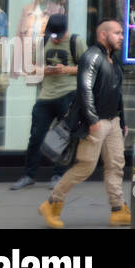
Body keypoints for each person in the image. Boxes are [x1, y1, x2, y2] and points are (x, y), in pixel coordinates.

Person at [38, 20, 129, 228]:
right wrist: (92, 120)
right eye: (117, 33)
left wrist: (122, 120)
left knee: (116, 165)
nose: (122, 36)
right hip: (96, 123)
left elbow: (117, 92)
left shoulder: (113, 61)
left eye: (122, 33)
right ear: (103, 35)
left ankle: (118, 210)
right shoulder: (92, 57)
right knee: (85, 167)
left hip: (112, 121)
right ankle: (52, 203)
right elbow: (84, 90)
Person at [12, 15, 85, 190]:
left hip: (68, 93)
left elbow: (88, 67)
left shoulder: (76, 41)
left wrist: (66, 69)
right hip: (46, 95)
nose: (57, 39)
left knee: (63, 137)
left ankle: (58, 174)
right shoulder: (43, 42)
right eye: (53, 36)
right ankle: (29, 174)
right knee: (36, 136)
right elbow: (30, 68)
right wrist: (44, 70)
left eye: (59, 35)